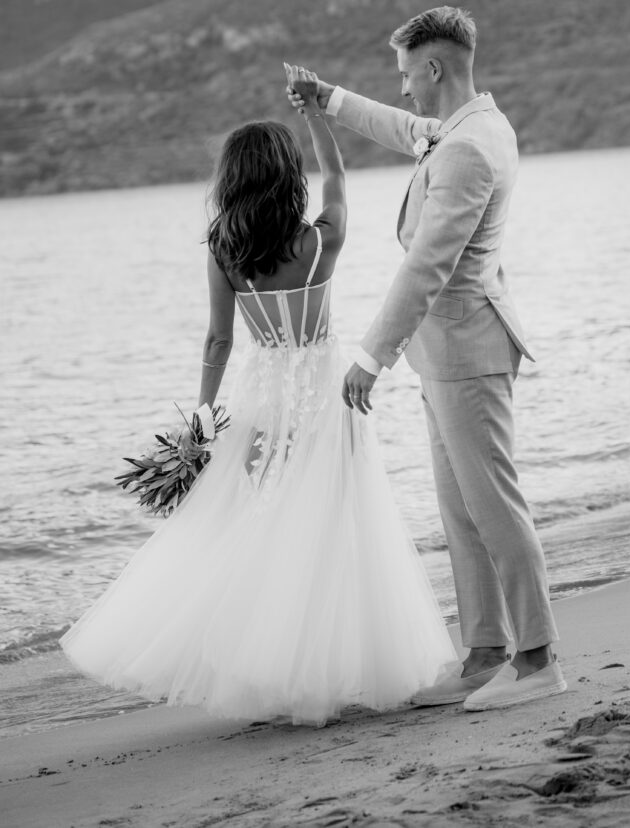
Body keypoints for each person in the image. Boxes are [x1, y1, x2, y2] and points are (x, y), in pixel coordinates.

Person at [60, 78, 456, 727]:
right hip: (324, 397)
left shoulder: (224, 249)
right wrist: (317, 115)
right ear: (287, 178)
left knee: (261, 522)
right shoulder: (319, 241)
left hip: (262, 398)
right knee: (329, 528)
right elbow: (338, 178)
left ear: (233, 181)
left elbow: (218, 340)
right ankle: (315, 669)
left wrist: (202, 414)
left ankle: (259, 667)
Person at [287, 7, 567, 712]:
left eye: (408, 74)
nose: (404, 87)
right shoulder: (470, 125)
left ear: (434, 68)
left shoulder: (469, 147)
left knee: (493, 506)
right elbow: (400, 127)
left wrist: (370, 356)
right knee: (462, 511)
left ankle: (537, 661)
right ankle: (484, 654)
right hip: (446, 350)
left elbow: (428, 265)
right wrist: (328, 99)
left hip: (468, 347)